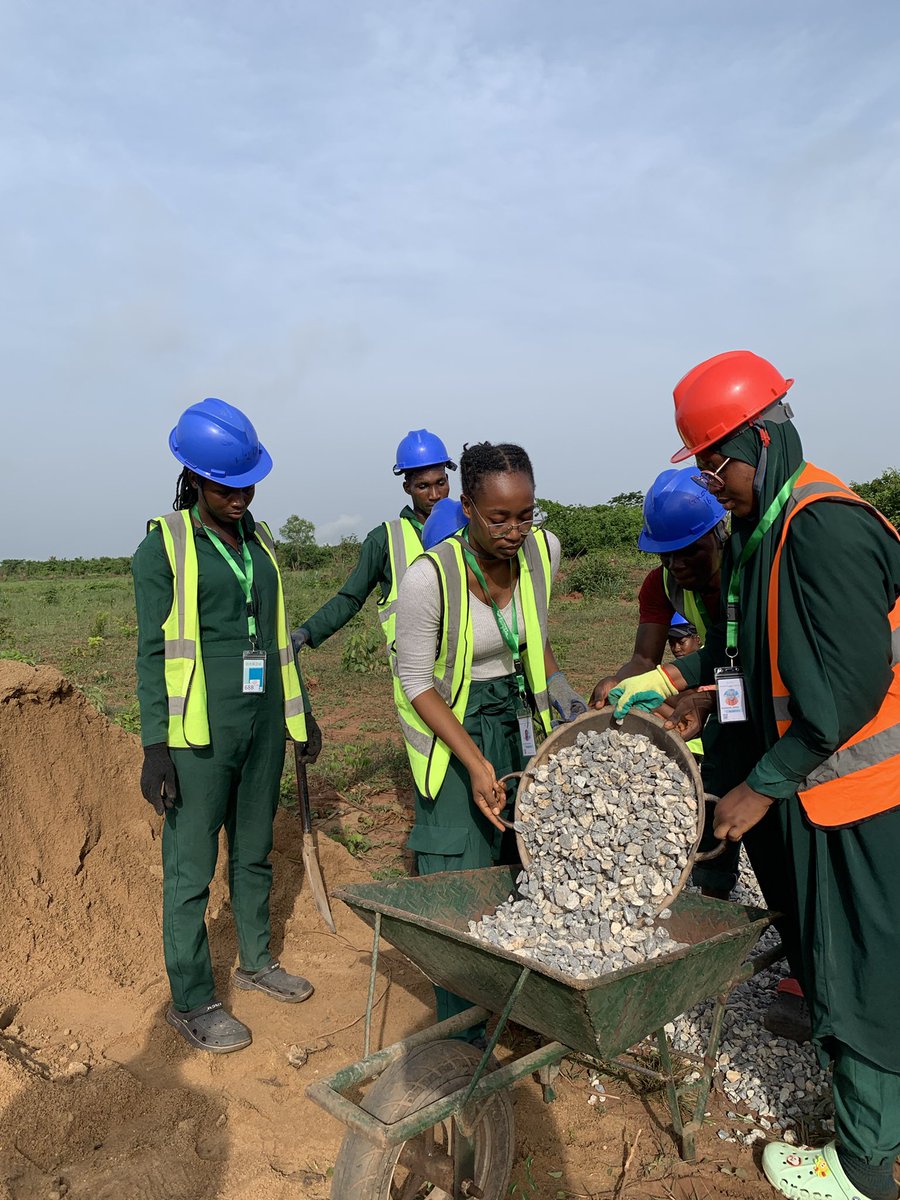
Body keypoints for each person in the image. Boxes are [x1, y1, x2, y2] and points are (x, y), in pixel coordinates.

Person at [611, 350, 900, 1200]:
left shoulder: (821, 526)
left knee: (859, 965)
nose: (710, 480)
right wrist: (704, 697)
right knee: (852, 961)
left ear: (761, 437)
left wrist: (760, 784)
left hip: (859, 795)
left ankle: (862, 1166)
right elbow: (772, 666)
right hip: (829, 790)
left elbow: (846, 692)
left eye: (714, 460)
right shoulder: (772, 530)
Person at [132, 398, 321, 1055]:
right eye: (226, 484)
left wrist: (297, 713)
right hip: (198, 736)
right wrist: (155, 744)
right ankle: (191, 999)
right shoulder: (165, 545)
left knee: (253, 849)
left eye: (248, 482)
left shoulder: (260, 541)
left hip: (261, 723)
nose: (240, 495)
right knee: (190, 872)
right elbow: (153, 651)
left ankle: (256, 960)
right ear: (193, 478)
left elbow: (273, 640)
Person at [393, 442, 585, 1039]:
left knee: (525, 860)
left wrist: (568, 701)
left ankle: (525, 1006)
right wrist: (476, 764)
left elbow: (536, 641)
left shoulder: (542, 552)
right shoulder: (431, 577)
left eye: (526, 514)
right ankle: (463, 1031)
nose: (515, 530)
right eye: (498, 517)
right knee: (462, 877)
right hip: (455, 722)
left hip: (520, 714)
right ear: (467, 505)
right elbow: (416, 681)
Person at [590, 469, 742, 897]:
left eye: (688, 551)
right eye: (665, 555)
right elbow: (644, 659)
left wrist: (705, 701)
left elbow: (758, 660)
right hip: (728, 683)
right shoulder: (661, 585)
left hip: (767, 689)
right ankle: (714, 894)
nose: (677, 565)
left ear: (719, 531)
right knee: (715, 780)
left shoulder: (749, 574)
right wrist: (615, 683)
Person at [292, 429, 456, 662]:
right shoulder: (385, 539)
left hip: (470, 674)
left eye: (441, 483)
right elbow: (350, 598)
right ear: (407, 487)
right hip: (416, 678)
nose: (435, 494)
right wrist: (306, 631)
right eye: (423, 486)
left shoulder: (468, 527)